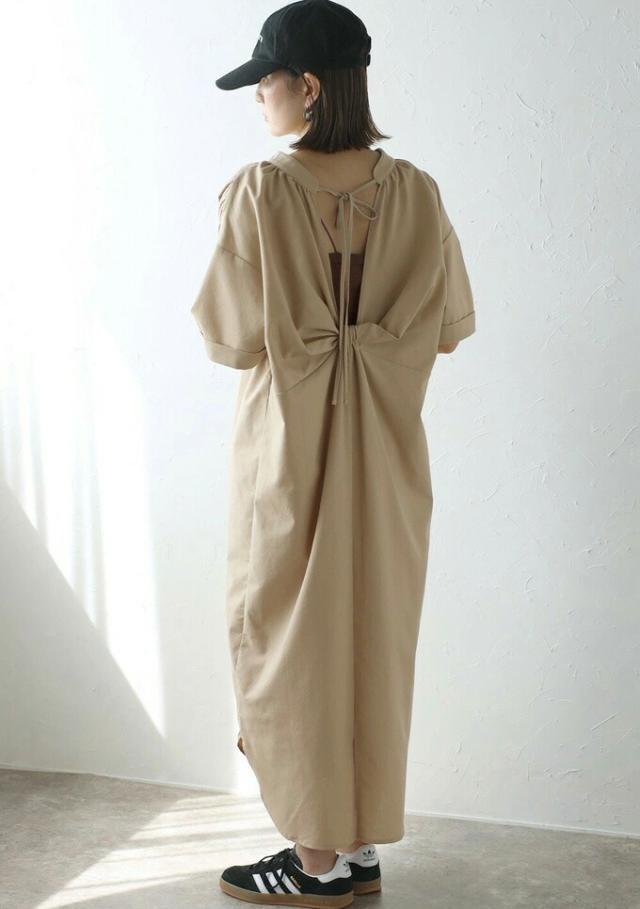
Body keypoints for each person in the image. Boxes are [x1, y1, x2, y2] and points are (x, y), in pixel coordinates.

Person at [191, 1, 476, 905]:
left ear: (308, 85)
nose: (259, 97)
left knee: (285, 640)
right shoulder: (418, 194)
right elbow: (447, 329)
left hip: (288, 457)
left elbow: (231, 338)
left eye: (266, 80)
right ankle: (356, 845)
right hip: (387, 461)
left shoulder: (260, 192)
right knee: (370, 639)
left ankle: (313, 863)